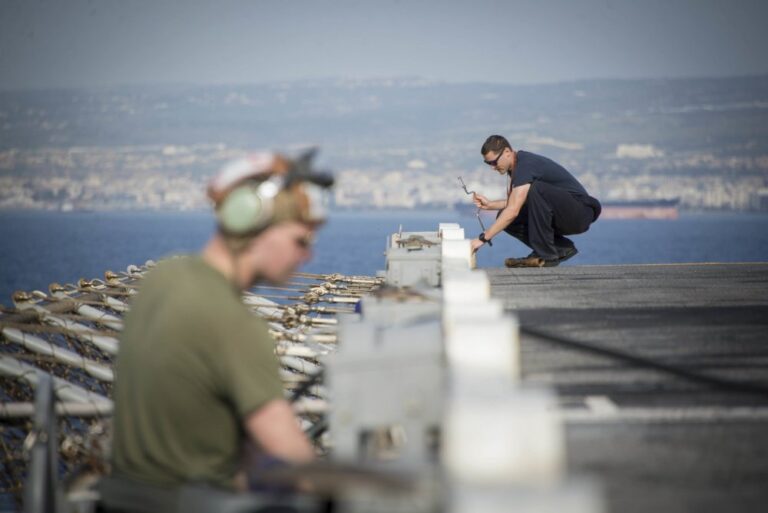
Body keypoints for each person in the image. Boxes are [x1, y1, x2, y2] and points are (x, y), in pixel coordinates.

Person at [111, 150, 332, 493]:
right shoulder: (236, 325)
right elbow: (295, 460)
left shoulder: (163, 278)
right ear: (254, 224)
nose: (307, 255)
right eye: (300, 240)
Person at [470, 135, 601, 267]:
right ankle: (560, 248)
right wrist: (491, 205)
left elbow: (513, 210)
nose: (492, 167)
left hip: (579, 212)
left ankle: (546, 253)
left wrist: (483, 238)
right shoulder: (517, 167)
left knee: (531, 193)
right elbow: (518, 202)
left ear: (507, 152)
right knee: (503, 216)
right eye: (488, 164)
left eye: (494, 162)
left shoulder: (525, 165)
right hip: (564, 212)